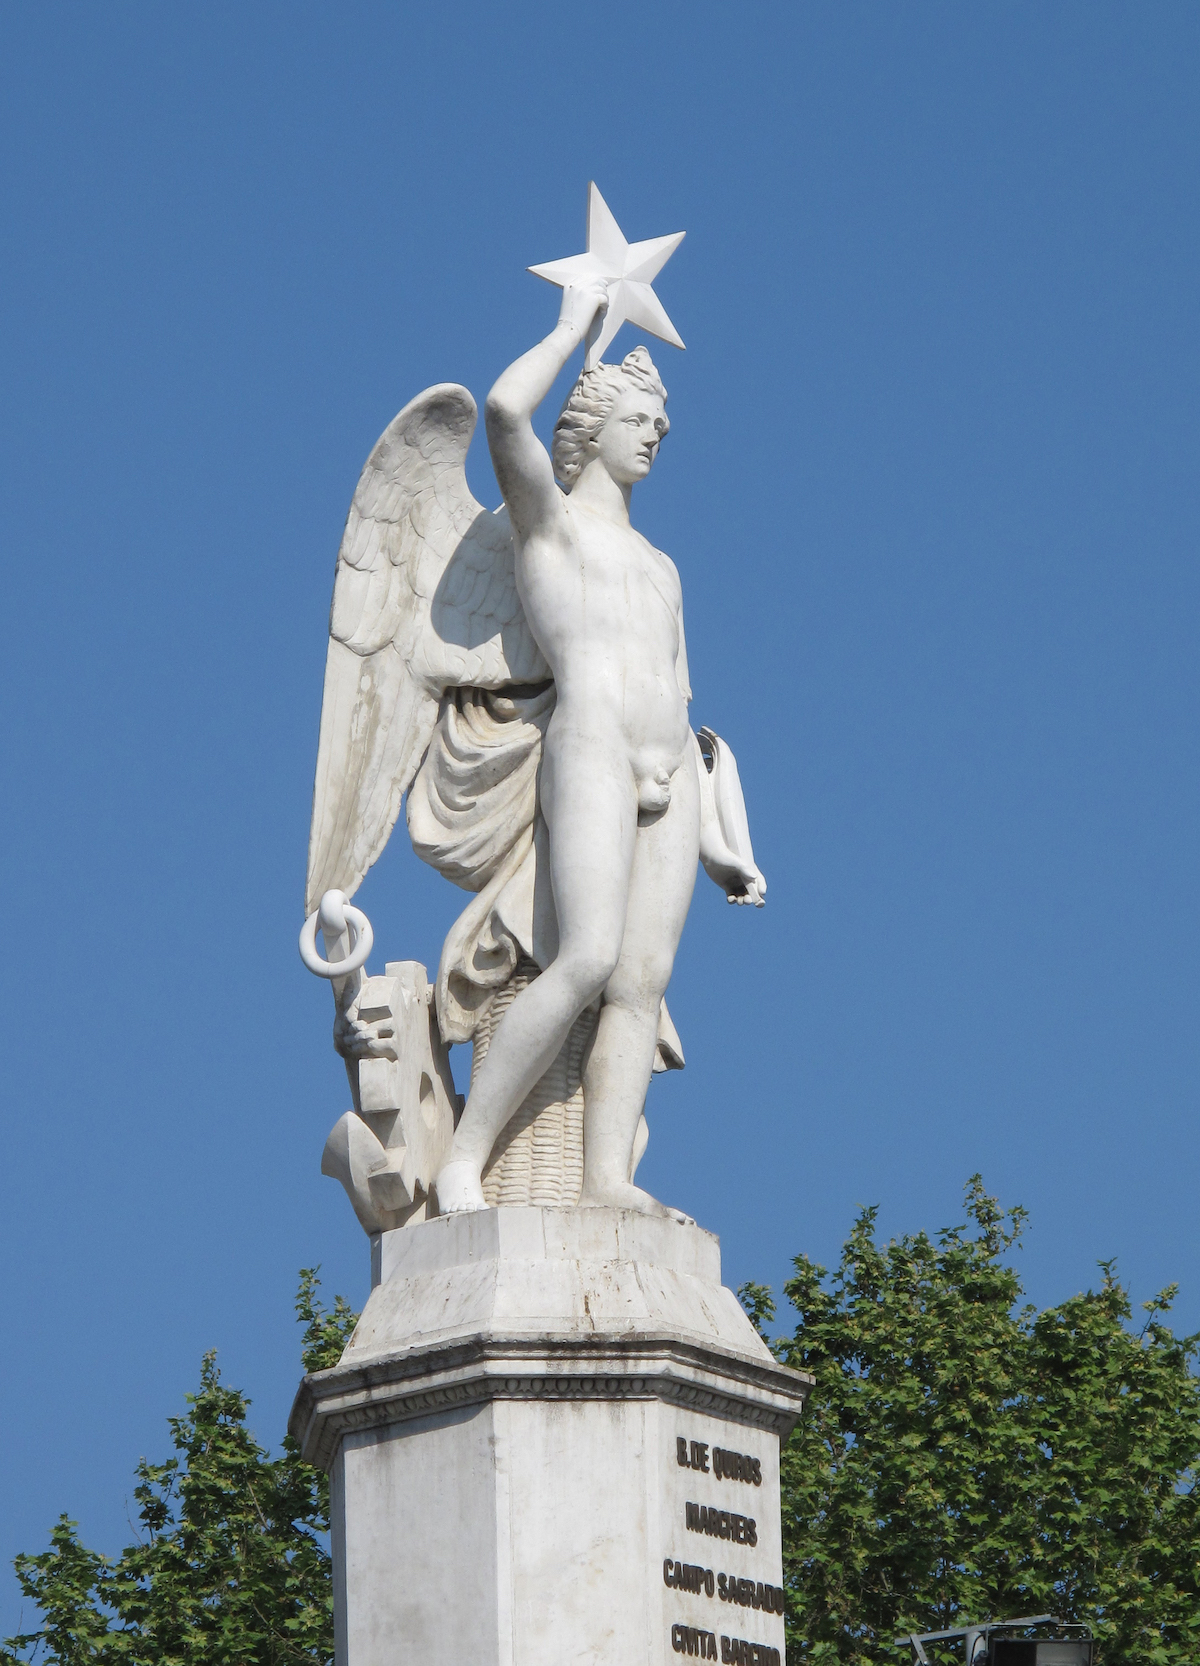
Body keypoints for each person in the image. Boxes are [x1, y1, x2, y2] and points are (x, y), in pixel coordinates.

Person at [434, 280, 765, 1218]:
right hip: (591, 745)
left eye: (663, 423)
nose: (658, 433)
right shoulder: (548, 523)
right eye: (642, 418)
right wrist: (570, 326)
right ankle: (463, 1160)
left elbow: (689, 710)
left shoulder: (664, 567)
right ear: (593, 426)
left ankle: (606, 1179)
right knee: (585, 957)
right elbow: (504, 410)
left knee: (640, 984)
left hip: (669, 764)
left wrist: (723, 843)